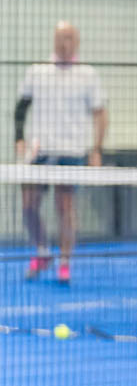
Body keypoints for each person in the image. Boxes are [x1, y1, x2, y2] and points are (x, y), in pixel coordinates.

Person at [14, 21, 108, 284]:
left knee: (65, 206)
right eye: (60, 37)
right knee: (28, 205)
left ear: (77, 42)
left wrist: (96, 149)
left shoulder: (88, 74)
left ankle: (65, 262)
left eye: (69, 37)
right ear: (53, 40)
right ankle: (42, 251)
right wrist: (19, 138)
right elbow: (21, 108)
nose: (64, 42)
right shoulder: (37, 71)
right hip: (40, 151)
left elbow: (100, 113)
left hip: (71, 151)